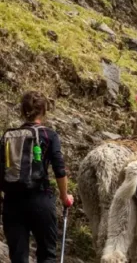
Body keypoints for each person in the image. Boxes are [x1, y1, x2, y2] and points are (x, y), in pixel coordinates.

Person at [0, 91, 74, 263]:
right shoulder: (49, 135)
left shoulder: (8, 136)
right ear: (44, 111)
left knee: (18, 257)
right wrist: (65, 197)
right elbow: (59, 169)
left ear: (22, 110)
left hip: (12, 203)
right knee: (47, 255)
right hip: (40, 199)